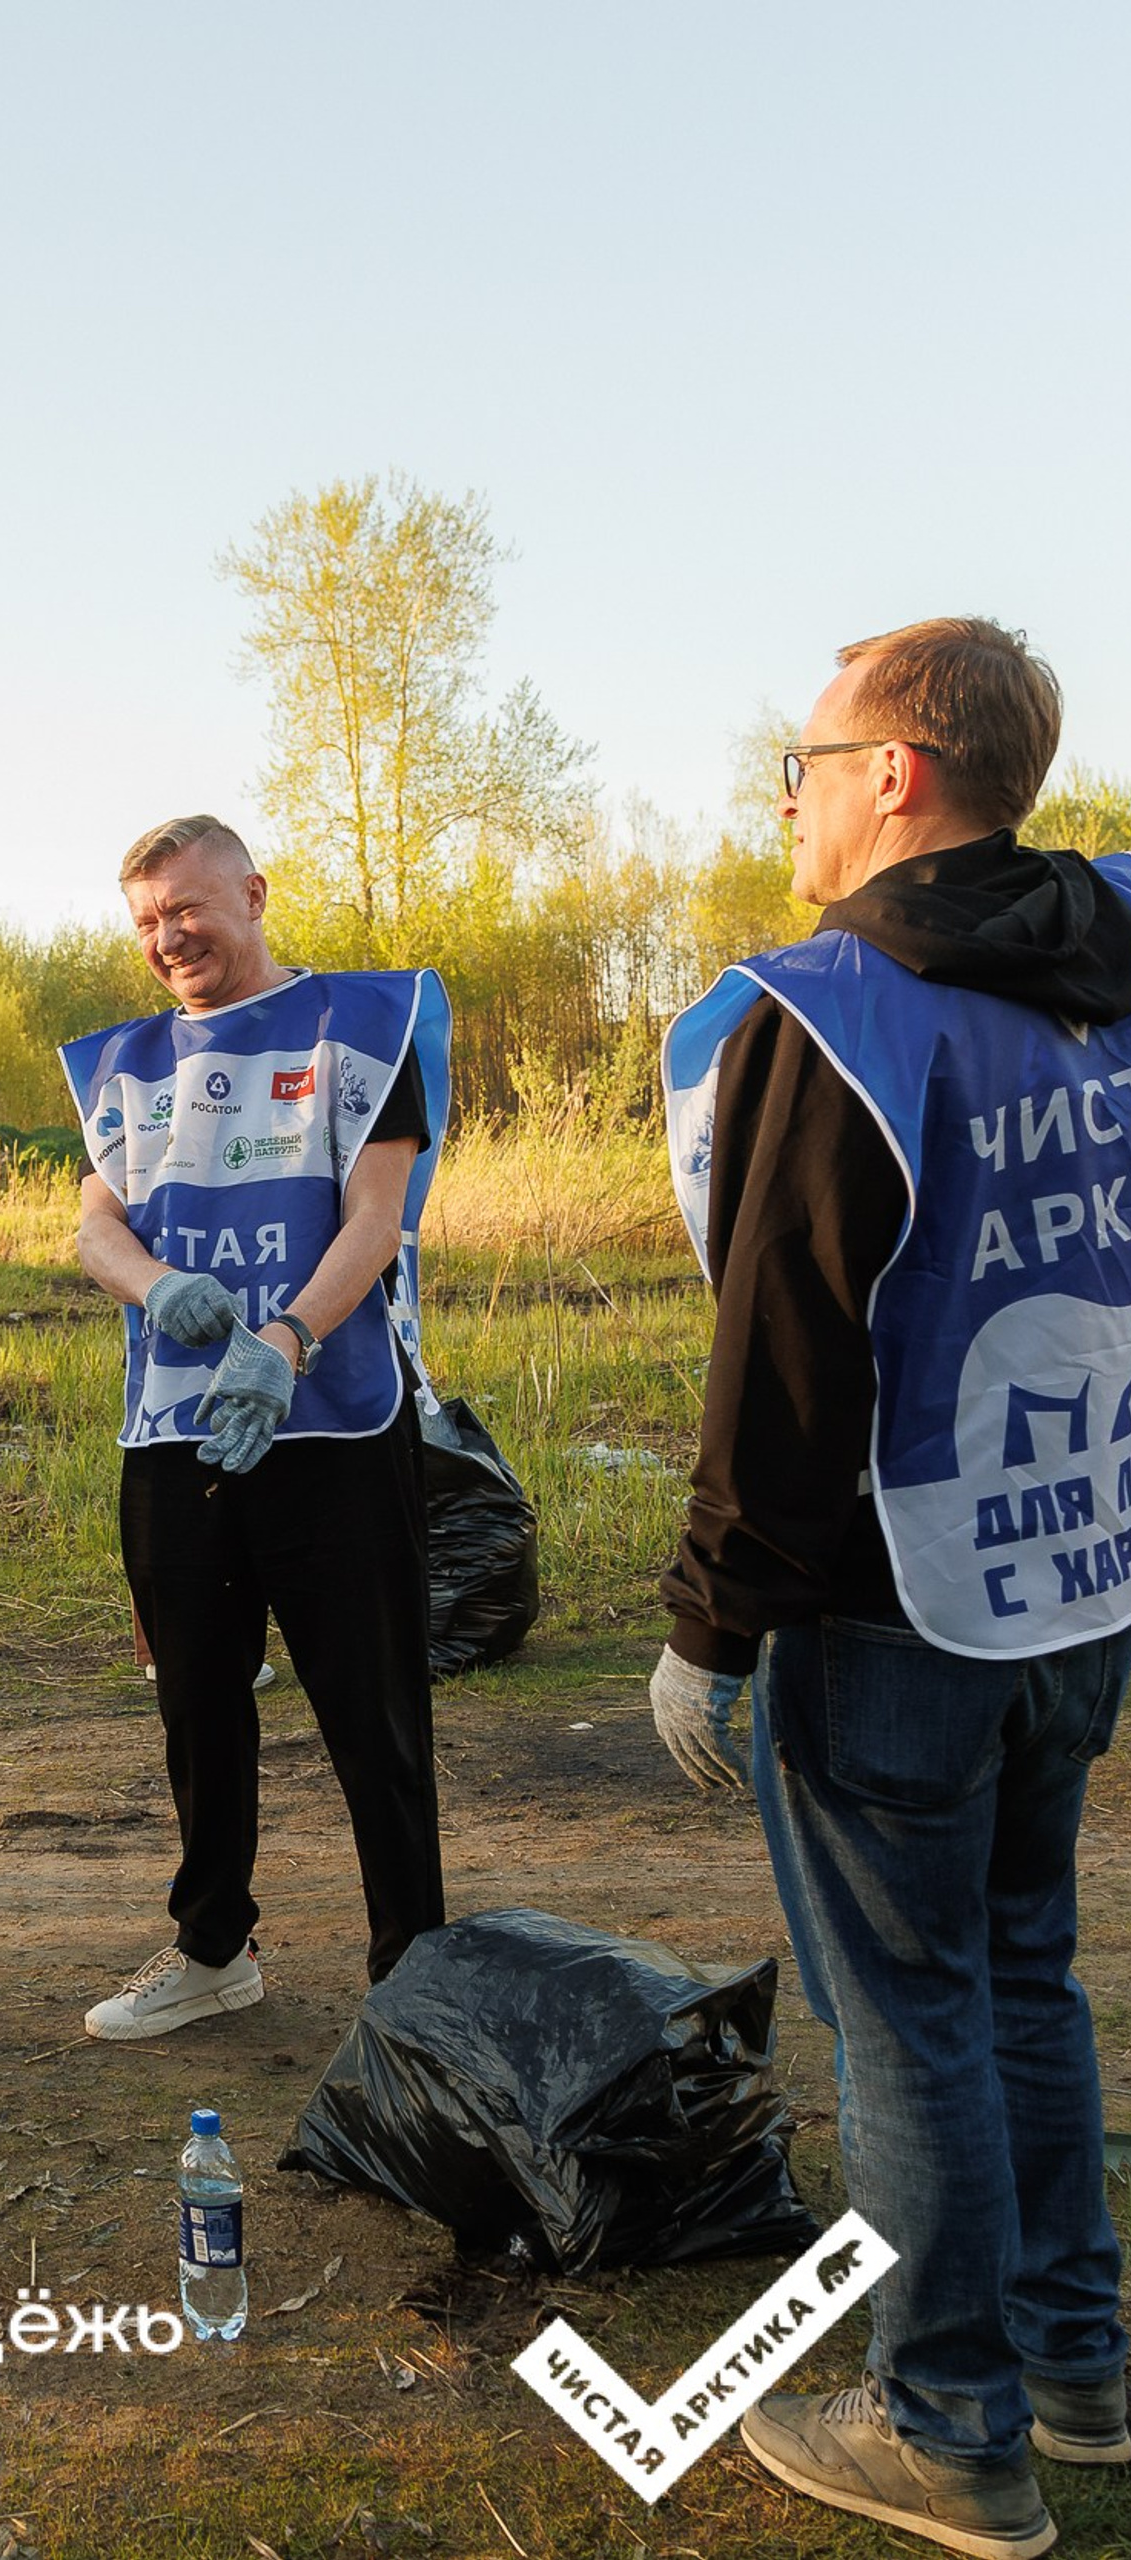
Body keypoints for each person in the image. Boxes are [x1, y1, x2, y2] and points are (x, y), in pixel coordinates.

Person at [654, 620, 1131, 2559]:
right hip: (1078, 1572)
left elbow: (781, 1356)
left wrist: (704, 1625)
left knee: (904, 2012)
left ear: (893, 773)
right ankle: (1077, 2366)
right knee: (1024, 1960)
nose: (782, 785)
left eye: (801, 750)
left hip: (890, 1603)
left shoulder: (828, 1007)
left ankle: (944, 2429)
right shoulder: (1103, 966)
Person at [62, 814, 449, 2039]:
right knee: (197, 1701)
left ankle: (414, 1971)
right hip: (175, 1432)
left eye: (186, 908)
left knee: (370, 1706)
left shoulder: (360, 1028)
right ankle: (212, 1947)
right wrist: (151, 1284)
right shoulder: (122, 1063)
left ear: (252, 894)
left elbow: (373, 1217)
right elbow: (95, 1228)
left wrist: (285, 1342)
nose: (167, 937)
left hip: (331, 1422)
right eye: (145, 921)